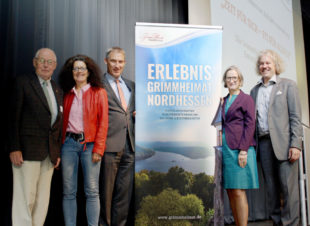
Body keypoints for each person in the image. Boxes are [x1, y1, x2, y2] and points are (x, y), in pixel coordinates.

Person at [9, 48, 63, 226]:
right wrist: (14, 147)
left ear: (55, 66)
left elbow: (56, 125)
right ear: (35, 62)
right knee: (25, 199)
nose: (46, 65)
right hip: (26, 152)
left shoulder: (56, 89)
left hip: (49, 155)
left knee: (42, 201)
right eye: (42, 61)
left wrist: (57, 153)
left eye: (50, 62)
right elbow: (12, 117)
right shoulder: (23, 82)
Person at [250, 50, 303, 226]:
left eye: (268, 63)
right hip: (264, 144)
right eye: (261, 64)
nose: (264, 66)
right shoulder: (254, 91)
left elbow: (295, 117)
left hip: (285, 144)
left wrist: (296, 145)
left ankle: (291, 223)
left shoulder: (288, 85)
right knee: (271, 189)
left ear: (275, 66)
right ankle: (276, 222)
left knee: (289, 189)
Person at [58, 55, 108, 226]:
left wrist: (99, 149)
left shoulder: (99, 93)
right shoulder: (67, 94)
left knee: (92, 191)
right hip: (68, 146)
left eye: (82, 68)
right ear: (71, 72)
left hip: (90, 146)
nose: (79, 71)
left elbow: (103, 123)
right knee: (68, 192)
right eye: (75, 68)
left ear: (89, 72)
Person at [99, 47, 135, 226]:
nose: (117, 65)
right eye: (113, 61)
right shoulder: (98, 85)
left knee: (123, 196)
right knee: (105, 194)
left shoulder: (131, 85)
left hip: (130, 146)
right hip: (108, 146)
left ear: (125, 63)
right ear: (106, 61)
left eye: (120, 62)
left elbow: (131, 112)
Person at [222, 66, 259, 226]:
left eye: (234, 78)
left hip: (240, 150)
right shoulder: (223, 100)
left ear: (240, 80)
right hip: (225, 150)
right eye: (228, 78)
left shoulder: (246, 99)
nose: (231, 80)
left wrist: (244, 150)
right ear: (225, 81)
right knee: (230, 191)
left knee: (238, 191)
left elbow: (250, 125)